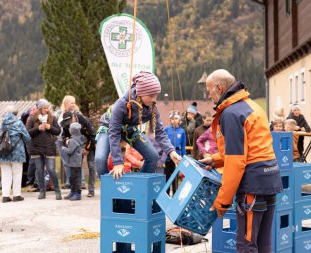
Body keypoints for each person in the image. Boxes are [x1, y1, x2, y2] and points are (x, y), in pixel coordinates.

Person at [200, 69, 282, 252]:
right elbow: (250, 150)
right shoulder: (252, 106)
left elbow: (236, 162)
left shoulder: (231, 113)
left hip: (252, 186)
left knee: (246, 245)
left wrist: (222, 201)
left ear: (219, 88)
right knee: (263, 243)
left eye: (209, 91)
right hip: (269, 180)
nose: (209, 96)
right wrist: (215, 160)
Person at [108, 71, 182, 179]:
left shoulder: (153, 107)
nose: (154, 99)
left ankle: (138, 188)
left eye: (156, 95)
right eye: (151, 95)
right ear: (140, 93)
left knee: (153, 156)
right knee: (100, 159)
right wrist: (118, 162)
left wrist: (171, 152)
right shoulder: (121, 104)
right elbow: (113, 132)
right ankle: (110, 188)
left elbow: (160, 132)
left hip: (130, 131)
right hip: (109, 128)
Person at [26, 99, 62, 200]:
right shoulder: (32, 119)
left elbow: (58, 131)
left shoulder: (52, 118)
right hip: (36, 148)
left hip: (49, 147)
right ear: (39, 108)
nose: (47, 110)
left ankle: (57, 191)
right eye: (45, 108)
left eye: (47, 108)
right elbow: (27, 132)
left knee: (51, 169)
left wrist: (50, 127)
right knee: (40, 170)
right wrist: (38, 129)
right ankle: (42, 191)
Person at [0, 106, 31, 203]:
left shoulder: (0, 123)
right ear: (15, 114)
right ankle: (16, 195)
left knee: (6, 174)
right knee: (17, 173)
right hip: (17, 153)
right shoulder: (18, 123)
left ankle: (5, 196)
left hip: (2, 152)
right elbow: (27, 138)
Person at [60, 110, 96, 197]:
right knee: (76, 167)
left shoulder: (85, 121)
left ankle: (91, 190)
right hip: (76, 147)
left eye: (70, 122)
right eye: (67, 123)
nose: (68, 124)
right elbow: (64, 137)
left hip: (88, 144)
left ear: (73, 116)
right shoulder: (65, 124)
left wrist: (87, 149)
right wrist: (67, 142)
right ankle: (76, 190)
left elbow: (92, 136)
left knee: (91, 165)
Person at [59, 122, 86, 201]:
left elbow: (70, 151)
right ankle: (72, 192)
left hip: (74, 163)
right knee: (72, 178)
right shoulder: (80, 138)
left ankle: (77, 194)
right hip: (75, 162)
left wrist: (63, 148)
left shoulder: (72, 140)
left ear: (71, 131)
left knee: (75, 179)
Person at [164, 111, 186, 194]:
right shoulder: (166, 129)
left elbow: (183, 146)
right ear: (170, 120)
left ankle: (175, 193)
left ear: (179, 120)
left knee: (175, 177)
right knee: (167, 176)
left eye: (176, 118)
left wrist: (184, 157)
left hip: (177, 154)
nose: (174, 120)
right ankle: (166, 193)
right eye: (172, 119)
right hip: (168, 155)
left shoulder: (182, 131)